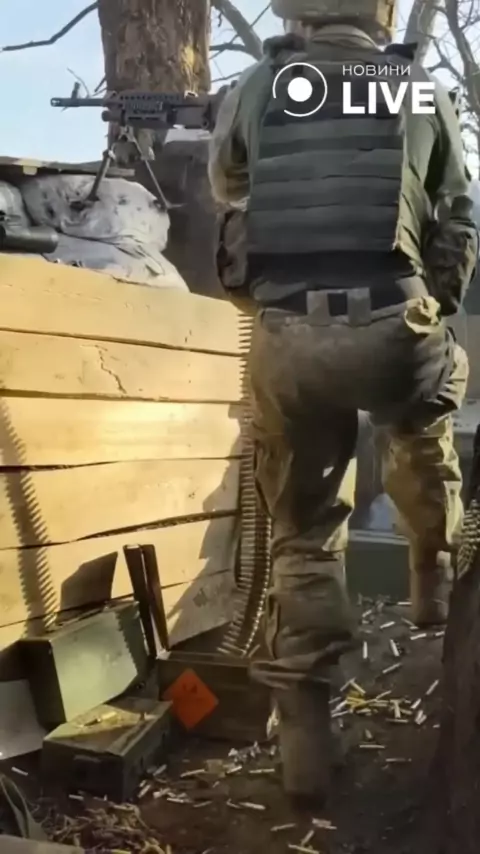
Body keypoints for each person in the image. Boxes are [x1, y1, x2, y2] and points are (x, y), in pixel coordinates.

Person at [208, 0, 479, 807]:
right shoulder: (417, 87)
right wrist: (434, 305)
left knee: (303, 532)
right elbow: (459, 211)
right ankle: (431, 563)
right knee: (425, 411)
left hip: (288, 336)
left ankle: (307, 748)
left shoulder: (259, 84)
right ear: (380, 13)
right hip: (395, 322)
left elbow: (228, 186)